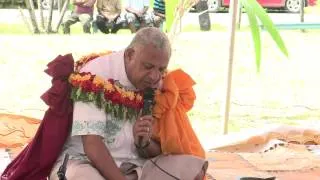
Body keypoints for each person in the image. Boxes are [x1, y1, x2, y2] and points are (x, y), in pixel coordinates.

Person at [1, 27, 207, 180]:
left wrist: (142, 142)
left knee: (193, 168)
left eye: (161, 69)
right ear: (129, 54)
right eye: (148, 67)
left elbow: (155, 150)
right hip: (84, 162)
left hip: (134, 164)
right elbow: (93, 146)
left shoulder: (159, 85)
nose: (155, 76)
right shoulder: (96, 76)